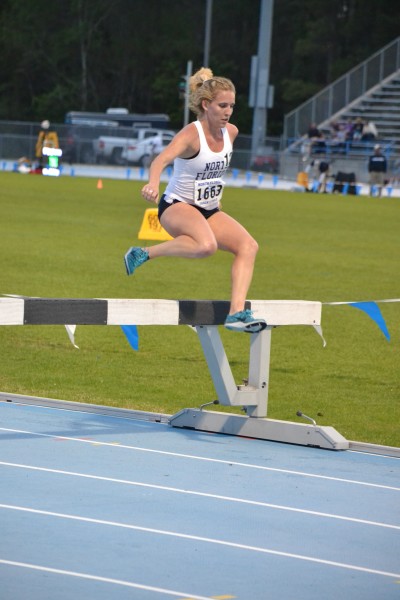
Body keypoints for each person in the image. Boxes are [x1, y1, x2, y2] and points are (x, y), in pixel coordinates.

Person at [123, 67, 266, 334]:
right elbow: (160, 160)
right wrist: (152, 184)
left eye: (232, 106)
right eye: (222, 105)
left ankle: (236, 314)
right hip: (177, 205)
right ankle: (143, 254)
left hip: (209, 209)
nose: (228, 111)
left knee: (249, 246)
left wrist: (215, 196)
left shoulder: (231, 133)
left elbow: (212, 172)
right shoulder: (191, 134)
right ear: (206, 104)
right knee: (206, 246)